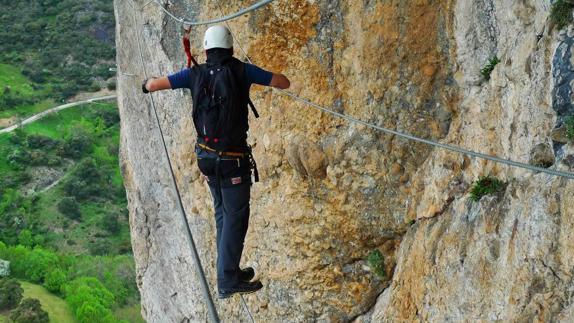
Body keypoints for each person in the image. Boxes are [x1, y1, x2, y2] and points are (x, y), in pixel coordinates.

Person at [142, 25, 290, 299]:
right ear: (231, 47)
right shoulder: (242, 71)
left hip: (207, 159)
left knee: (224, 213)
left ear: (207, 49)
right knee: (235, 217)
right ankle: (227, 279)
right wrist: (259, 73)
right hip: (232, 161)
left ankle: (229, 271)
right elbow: (283, 82)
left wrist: (147, 83)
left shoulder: (193, 73)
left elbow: (153, 85)